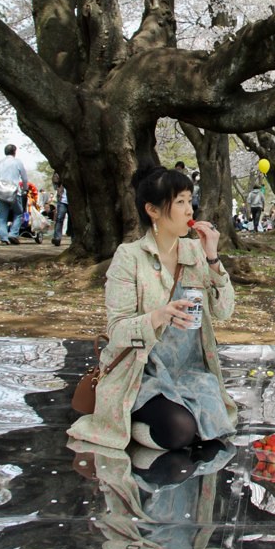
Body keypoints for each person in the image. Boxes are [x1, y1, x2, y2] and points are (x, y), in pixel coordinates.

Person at [68, 165, 237, 451]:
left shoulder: (195, 253)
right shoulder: (129, 257)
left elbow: (223, 311)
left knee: (215, 428)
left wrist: (212, 257)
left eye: (189, 200)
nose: (189, 210)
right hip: (141, 372)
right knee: (179, 431)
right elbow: (117, 329)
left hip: (188, 371)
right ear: (153, 210)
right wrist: (158, 317)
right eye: (180, 202)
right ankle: (122, 420)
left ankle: (168, 416)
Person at [0, 143, 28, 245]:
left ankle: (4, 238)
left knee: (2, 216)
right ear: (14, 152)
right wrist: (25, 189)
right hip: (14, 191)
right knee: (19, 213)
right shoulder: (17, 162)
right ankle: (13, 234)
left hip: (1, 191)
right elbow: (24, 178)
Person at [51, 172, 68, 246]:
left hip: (74, 200)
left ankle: (74, 238)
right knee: (59, 219)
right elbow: (55, 181)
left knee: (73, 220)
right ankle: (57, 238)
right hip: (62, 200)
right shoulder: (60, 171)